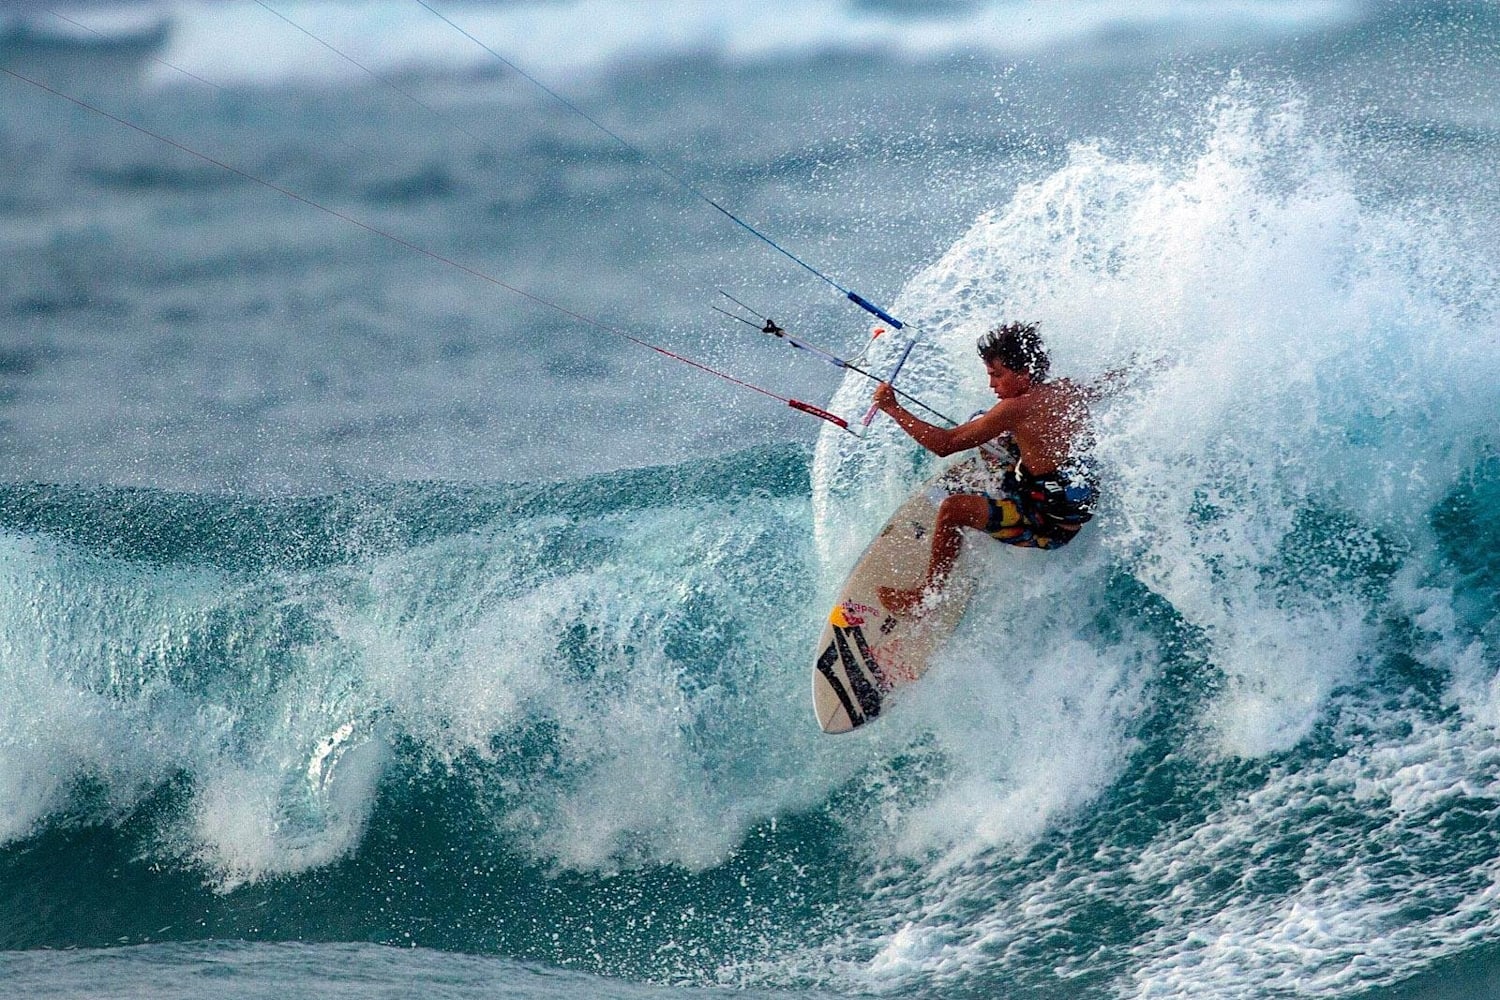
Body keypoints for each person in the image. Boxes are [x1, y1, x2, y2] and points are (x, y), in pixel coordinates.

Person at [870, 321, 1098, 616]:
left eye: (997, 375)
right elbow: (1105, 385)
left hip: (1049, 527)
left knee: (953, 509)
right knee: (990, 433)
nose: (992, 384)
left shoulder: (1015, 408)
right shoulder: (1066, 389)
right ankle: (993, 486)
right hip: (1065, 503)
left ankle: (926, 598)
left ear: (1024, 373)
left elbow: (945, 444)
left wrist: (892, 407)